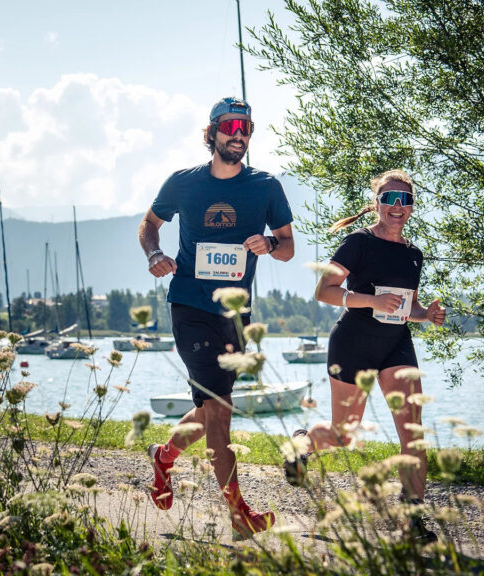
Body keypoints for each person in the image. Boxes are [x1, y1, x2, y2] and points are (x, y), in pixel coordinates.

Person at [138, 97, 295, 538]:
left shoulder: (266, 186)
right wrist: (154, 254)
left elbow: (288, 248)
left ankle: (163, 457)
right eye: (229, 126)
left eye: (245, 127)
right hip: (190, 306)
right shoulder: (184, 183)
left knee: (208, 411)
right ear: (211, 133)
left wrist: (270, 244)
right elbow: (149, 224)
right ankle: (238, 515)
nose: (238, 134)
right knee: (221, 412)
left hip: (235, 314)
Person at [285, 169, 445, 540]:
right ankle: (303, 443)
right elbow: (324, 290)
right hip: (353, 342)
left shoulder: (414, 254)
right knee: (343, 435)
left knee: (413, 434)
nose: (398, 206)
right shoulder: (358, 242)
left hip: (396, 345)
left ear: (412, 207)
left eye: (405, 200)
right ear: (376, 203)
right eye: (390, 198)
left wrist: (427, 314)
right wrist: (371, 300)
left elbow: (407, 306)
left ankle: (412, 521)